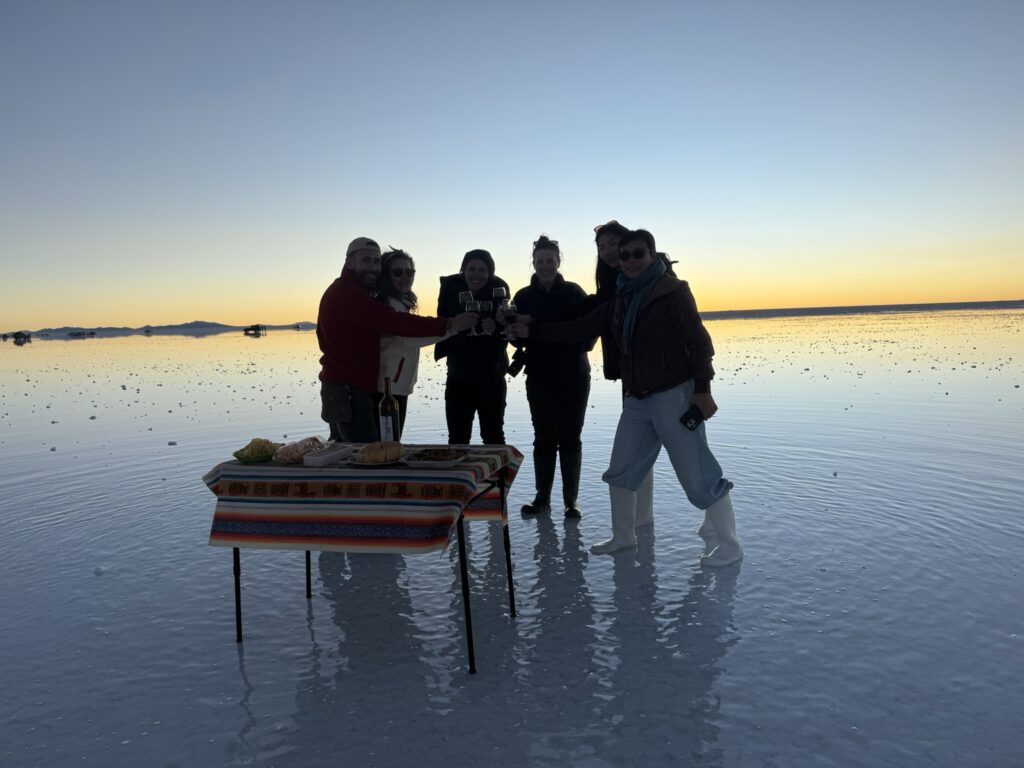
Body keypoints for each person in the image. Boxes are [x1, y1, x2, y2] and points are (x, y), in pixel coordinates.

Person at [511, 229, 742, 567]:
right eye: (625, 256)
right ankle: (624, 536)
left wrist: (702, 390)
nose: (631, 261)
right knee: (621, 470)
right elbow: (580, 327)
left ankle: (729, 544)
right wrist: (533, 332)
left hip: (672, 396)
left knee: (698, 476)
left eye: (638, 254)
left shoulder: (672, 291)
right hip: (637, 400)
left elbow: (699, 344)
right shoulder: (620, 297)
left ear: (651, 255)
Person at [317, 237, 476, 442]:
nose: (372, 267)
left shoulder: (351, 292)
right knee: (367, 455)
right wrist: (451, 325)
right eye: (366, 260)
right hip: (349, 390)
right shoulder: (350, 296)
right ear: (349, 262)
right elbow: (400, 325)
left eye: (376, 262)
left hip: (347, 386)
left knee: (349, 454)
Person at [512, 235, 591, 519]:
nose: (545, 266)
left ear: (559, 262)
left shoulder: (574, 292)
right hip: (539, 375)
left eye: (550, 260)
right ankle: (542, 498)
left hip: (574, 374)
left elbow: (586, 332)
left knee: (571, 437)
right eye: (540, 261)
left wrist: (538, 324)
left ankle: (571, 501)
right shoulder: (522, 297)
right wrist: (512, 334)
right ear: (533, 263)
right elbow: (516, 338)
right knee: (543, 438)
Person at [434, 249, 510, 444]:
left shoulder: (499, 288)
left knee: (493, 436)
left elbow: (505, 329)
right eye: (472, 269)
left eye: (482, 270)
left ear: (490, 273)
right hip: (459, 374)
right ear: (463, 270)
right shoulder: (451, 289)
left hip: (491, 375)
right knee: (458, 438)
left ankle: (496, 475)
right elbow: (442, 322)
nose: (477, 275)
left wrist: (495, 327)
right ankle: (460, 474)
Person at [374, 248, 448, 434]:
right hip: (387, 388)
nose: (405, 277)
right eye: (397, 272)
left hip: (397, 385)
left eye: (409, 272)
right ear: (385, 276)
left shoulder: (398, 304)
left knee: (392, 439)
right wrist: (453, 326)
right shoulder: (388, 306)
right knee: (389, 441)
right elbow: (412, 338)